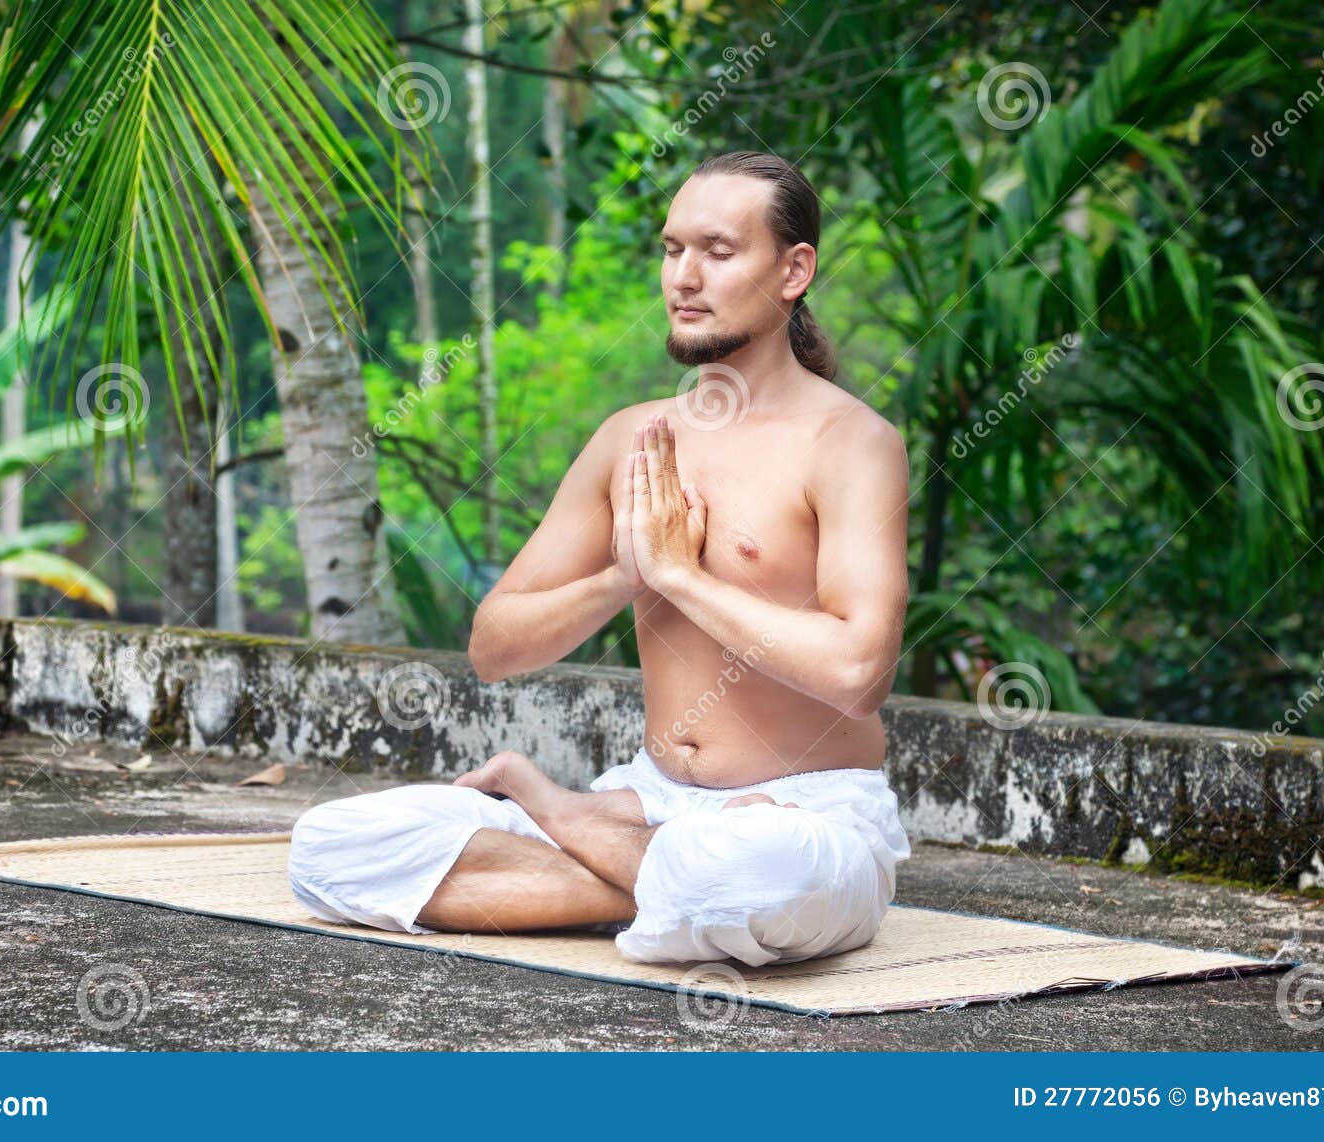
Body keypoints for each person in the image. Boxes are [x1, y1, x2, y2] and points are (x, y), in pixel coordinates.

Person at [288, 150, 913, 967]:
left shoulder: (851, 442)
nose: (684, 277)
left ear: (794, 270)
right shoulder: (631, 438)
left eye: (719, 252)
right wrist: (627, 574)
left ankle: (566, 823)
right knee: (331, 847)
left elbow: (862, 672)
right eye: (671, 249)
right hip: (647, 802)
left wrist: (682, 577)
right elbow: (495, 647)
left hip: (803, 815)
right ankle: (652, 880)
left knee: (748, 876)